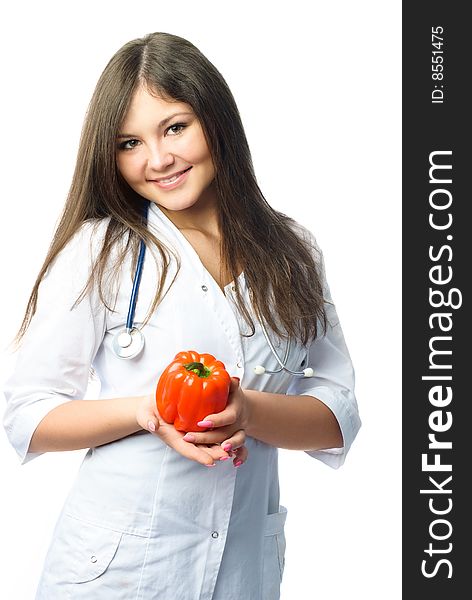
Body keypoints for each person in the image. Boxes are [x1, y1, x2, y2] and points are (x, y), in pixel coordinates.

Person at [2, 31, 361, 600]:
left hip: (242, 569)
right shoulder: (101, 251)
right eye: (129, 143)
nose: (157, 159)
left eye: (174, 127)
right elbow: (27, 417)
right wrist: (148, 412)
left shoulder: (293, 251)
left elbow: (338, 418)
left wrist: (248, 410)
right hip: (116, 571)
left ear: (215, 120)